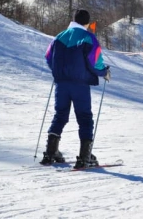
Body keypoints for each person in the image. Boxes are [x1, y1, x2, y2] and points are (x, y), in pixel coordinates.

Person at [40, 9, 111, 168]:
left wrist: (58, 71)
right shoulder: (88, 37)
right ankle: (84, 156)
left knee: (60, 115)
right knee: (84, 117)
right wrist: (104, 72)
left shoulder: (59, 36)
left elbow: (48, 56)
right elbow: (95, 62)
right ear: (87, 23)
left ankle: (51, 152)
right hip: (80, 85)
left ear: (73, 20)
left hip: (61, 83)